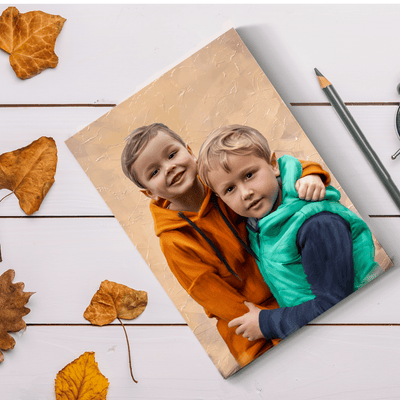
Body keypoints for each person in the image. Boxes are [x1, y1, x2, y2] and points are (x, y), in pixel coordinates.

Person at [121, 122, 330, 366]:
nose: (169, 168)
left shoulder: (224, 179)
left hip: (290, 285)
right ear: (148, 192)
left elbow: (276, 168)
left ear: (189, 151)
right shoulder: (174, 240)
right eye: (154, 172)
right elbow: (214, 297)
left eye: (172, 154)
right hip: (246, 319)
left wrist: (310, 174)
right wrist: (264, 323)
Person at [197, 124, 379, 343]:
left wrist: (266, 323)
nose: (246, 193)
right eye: (229, 189)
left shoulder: (315, 224)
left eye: (249, 175)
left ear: (274, 165)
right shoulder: (259, 224)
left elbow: (336, 306)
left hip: (368, 323)